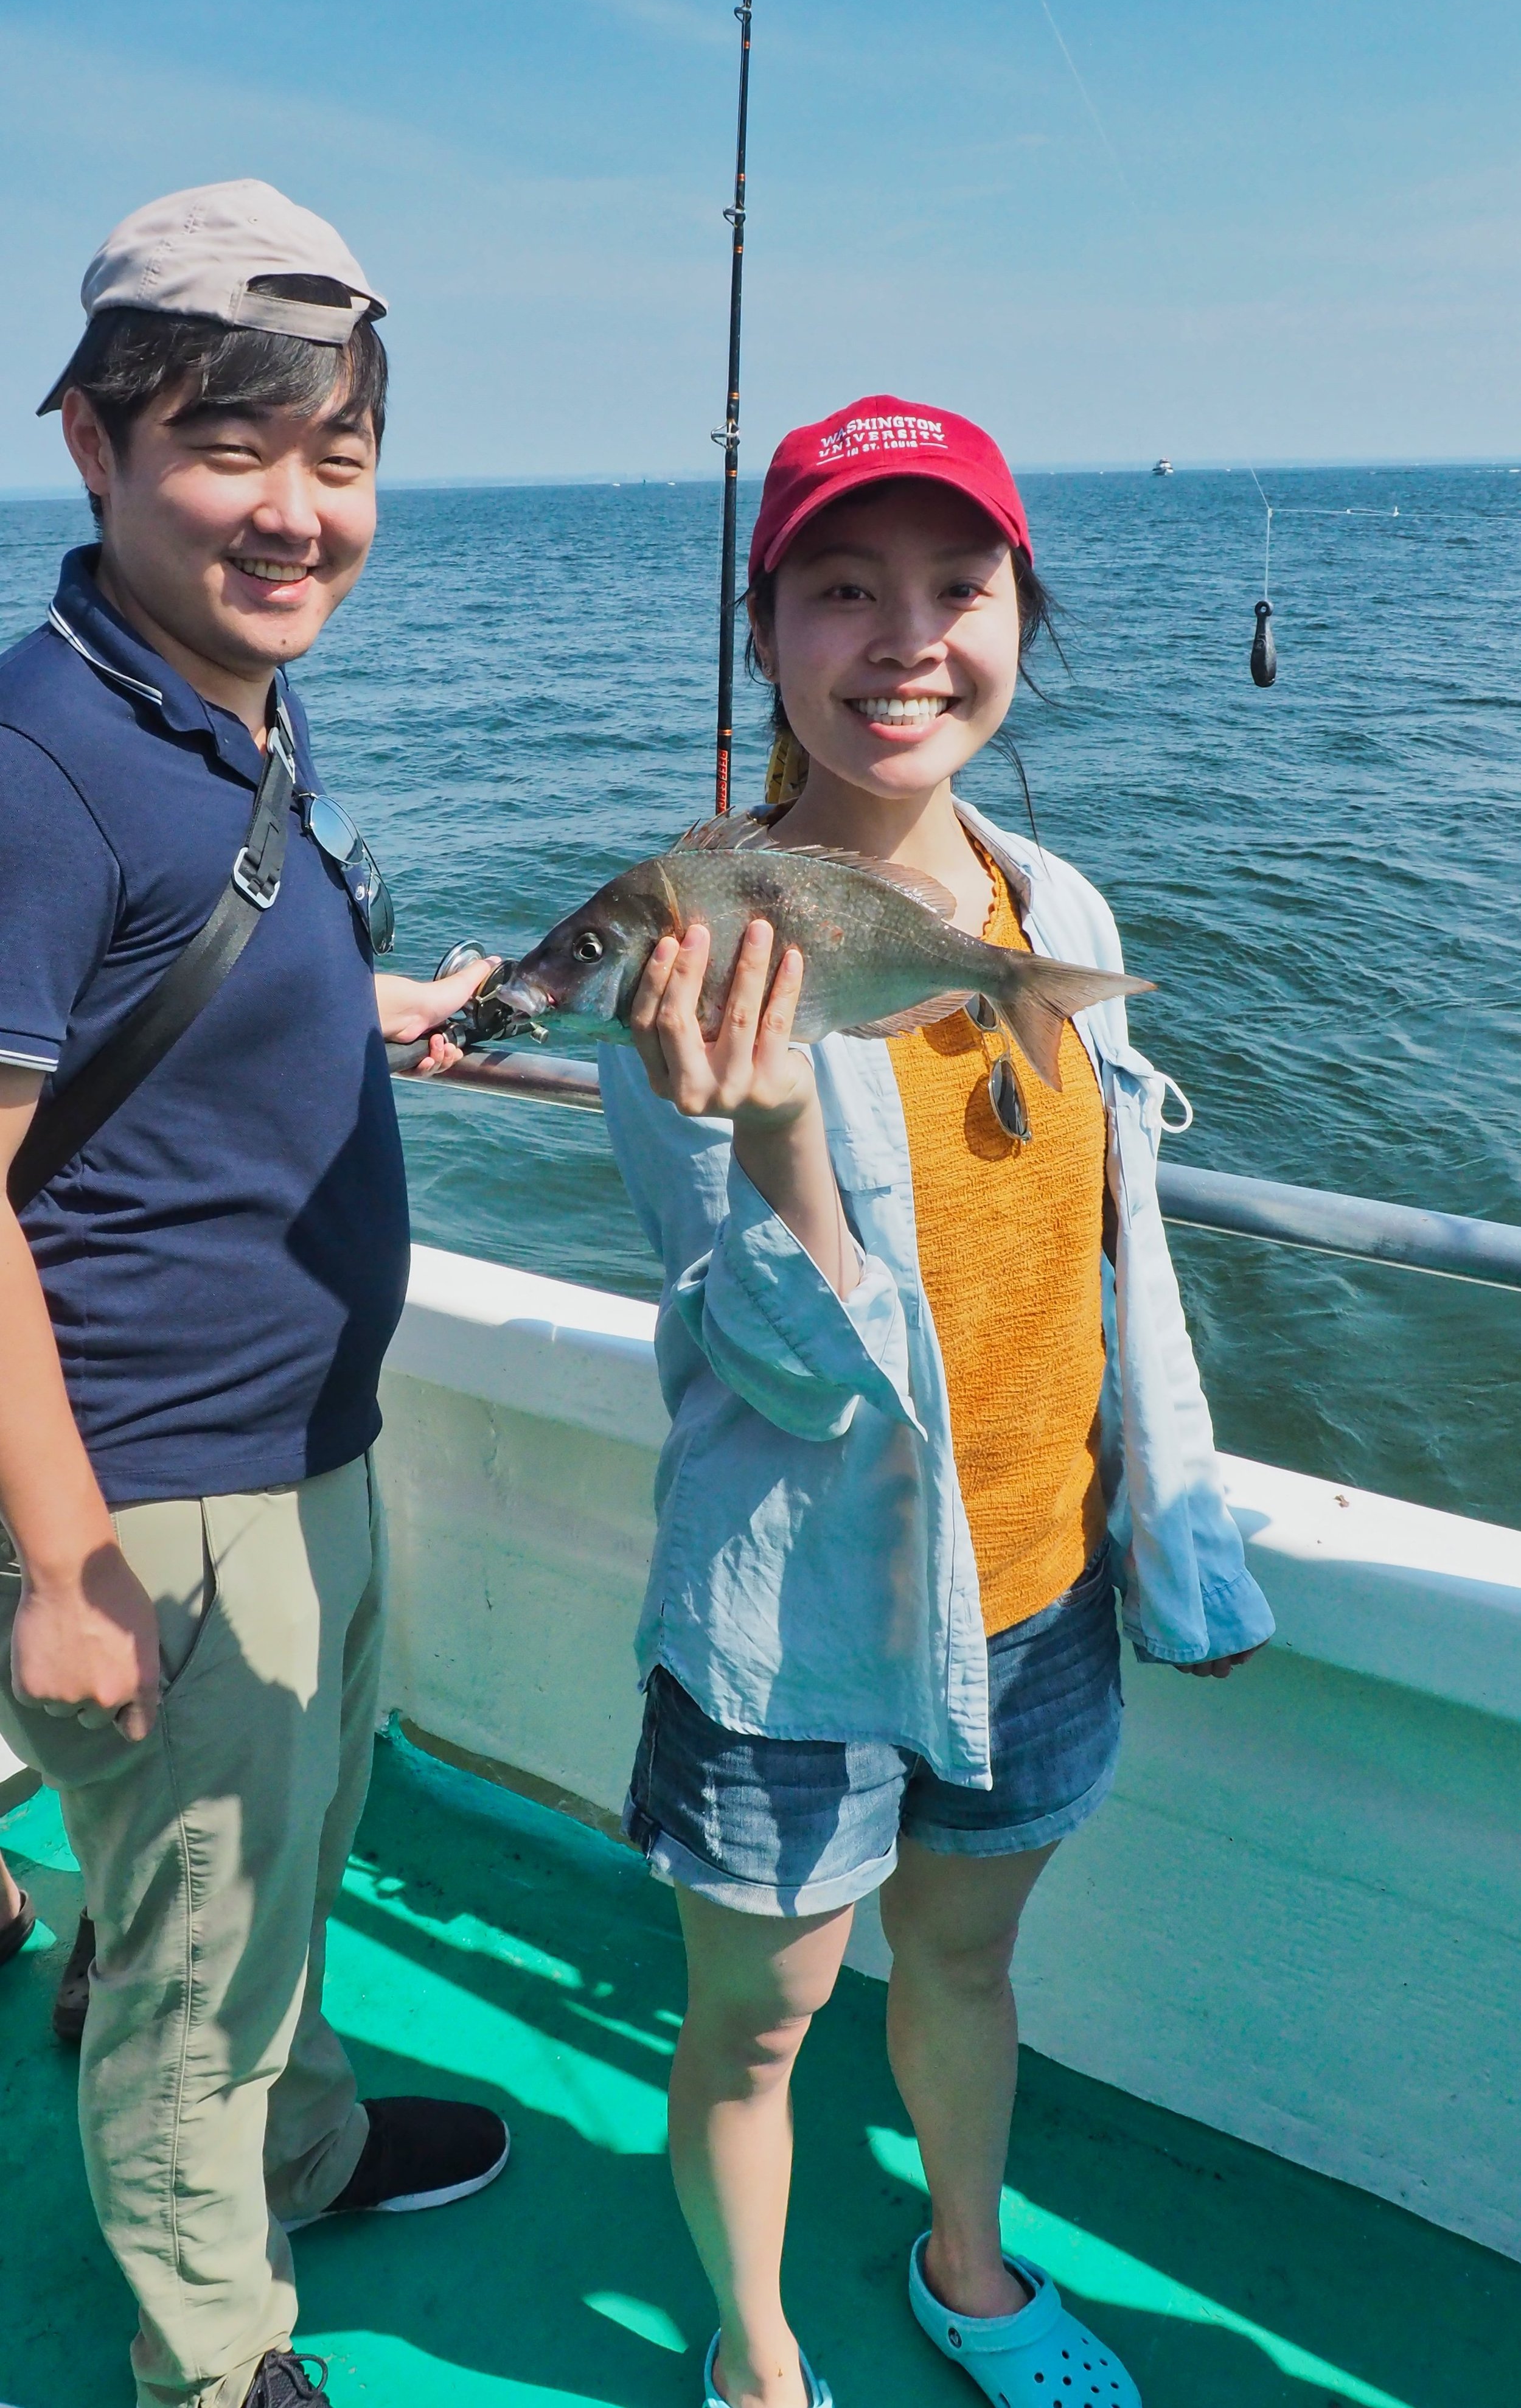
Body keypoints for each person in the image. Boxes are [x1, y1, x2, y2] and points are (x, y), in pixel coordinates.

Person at [599, 397, 1275, 2408]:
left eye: (953, 587)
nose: (904, 638)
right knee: (755, 2023)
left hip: (1040, 1589)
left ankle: (966, 2269)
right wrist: (782, 1119)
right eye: (839, 588)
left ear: (1017, 616)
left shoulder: (1056, 912)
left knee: (968, 1967)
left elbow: (1107, 1263)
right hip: (797, 1619)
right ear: (769, 632)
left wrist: (1176, 1541)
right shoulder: (684, 952)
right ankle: (760, 2352)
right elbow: (774, 1372)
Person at [0, 182, 509, 2408]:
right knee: (193, 1970)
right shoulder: (39, 762)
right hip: (160, 1497)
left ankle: (293, 2151)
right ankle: (212, 2358)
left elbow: (159, 988)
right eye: (233, 446)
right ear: (94, 447)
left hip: (299, 1447)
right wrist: (68, 1566)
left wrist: (365, 1002)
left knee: (277, 1870)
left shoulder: (210, 698)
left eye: (341, 455)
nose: (298, 512)